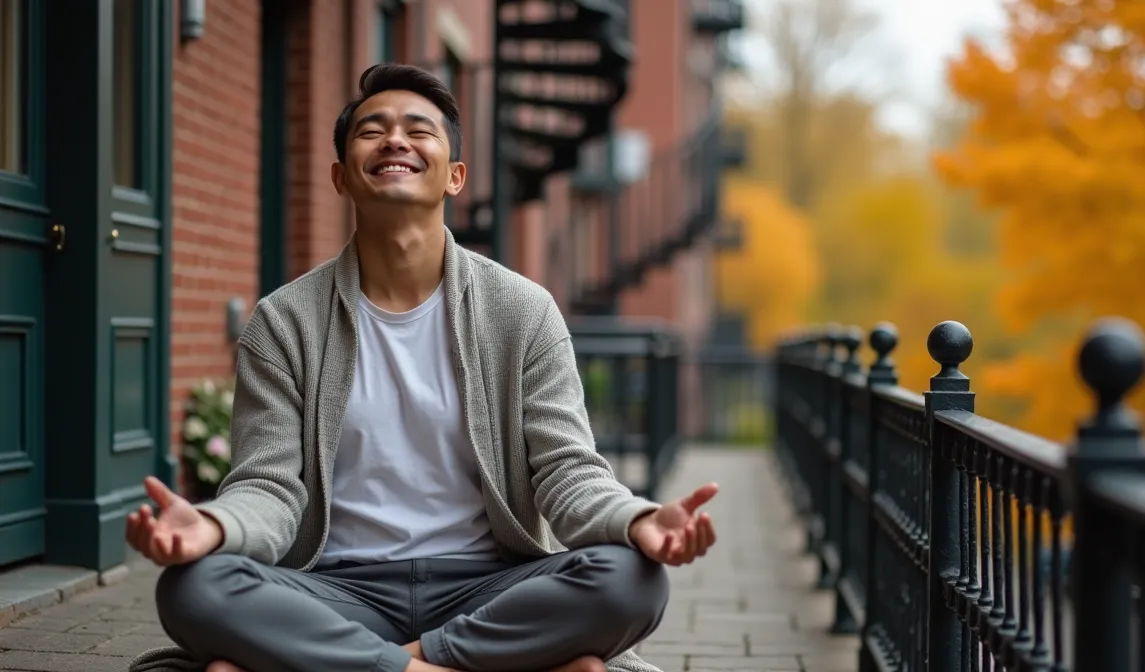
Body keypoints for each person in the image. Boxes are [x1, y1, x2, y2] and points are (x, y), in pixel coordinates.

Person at [127, 63, 718, 672]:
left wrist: (640, 519)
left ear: (455, 177)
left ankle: (374, 664)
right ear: (339, 177)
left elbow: (568, 472)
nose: (395, 141)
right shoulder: (284, 322)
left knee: (632, 579)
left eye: (418, 130)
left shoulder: (522, 311)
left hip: (488, 588)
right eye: (371, 130)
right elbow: (268, 489)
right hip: (339, 590)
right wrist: (211, 529)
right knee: (193, 587)